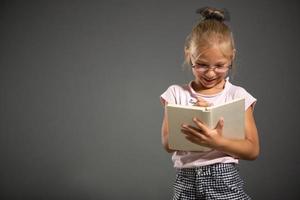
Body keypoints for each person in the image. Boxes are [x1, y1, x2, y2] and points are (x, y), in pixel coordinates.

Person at [160, 7, 259, 200]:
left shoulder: (238, 95)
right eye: (202, 64)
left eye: (220, 66)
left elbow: (252, 150)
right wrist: (192, 119)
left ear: (231, 58)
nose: (211, 73)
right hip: (186, 182)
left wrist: (217, 142)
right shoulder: (175, 93)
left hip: (224, 181)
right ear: (189, 55)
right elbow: (167, 144)